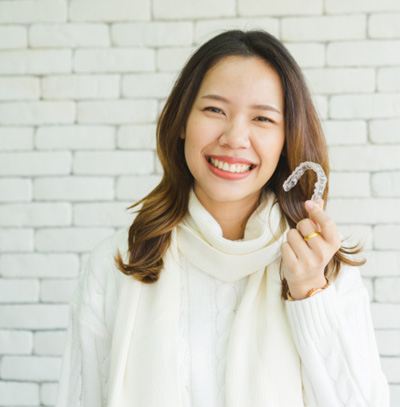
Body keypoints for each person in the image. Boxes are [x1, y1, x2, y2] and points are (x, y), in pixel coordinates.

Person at [55, 29, 390, 407]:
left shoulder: (325, 269)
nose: (235, 137)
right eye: (215, 110)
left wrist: (310, 294)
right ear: (182, 122)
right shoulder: (118, 264)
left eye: (262, 118)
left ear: (285, 139)